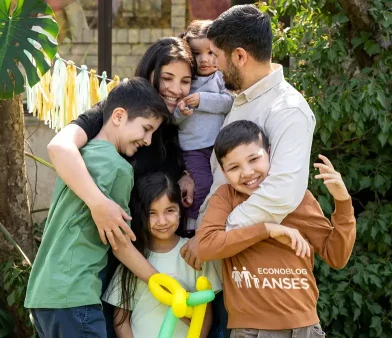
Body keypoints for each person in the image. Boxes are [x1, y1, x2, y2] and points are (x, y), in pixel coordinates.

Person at [46, 37, 200, 336]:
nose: (175, 88)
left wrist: (185, 173)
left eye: (185, 81)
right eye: (167, 77)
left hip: (153, 251)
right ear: (150, 73)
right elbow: (59, 147)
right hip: (108, 256)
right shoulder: (117, 112)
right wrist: (98, 204)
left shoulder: (168, 126)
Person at [180, 9, 317, 335]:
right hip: (229, 276)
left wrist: (213, 237)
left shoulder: (288, 110)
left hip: (267, 288)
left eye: (216, 54)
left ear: (239, 56)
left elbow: (282, 191)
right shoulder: (241, 100)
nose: (210, 62)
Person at [25, 78, 171, 338]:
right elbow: (121, 243)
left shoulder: (81, 156)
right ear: (118, 116)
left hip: (43, 296)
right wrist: (159, 281)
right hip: (75, 294)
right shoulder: (118, 168)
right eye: (146, 128)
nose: (148, 140)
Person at [196, 120, 356, 337]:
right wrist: (267, 230)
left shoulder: (298, 196)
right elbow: (206, 247)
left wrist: (343, 202)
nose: (247, 172)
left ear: (270, 153)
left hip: (305, 327)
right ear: (224, 172)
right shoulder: (225, 197)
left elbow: (336, 256)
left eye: (254, 159)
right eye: (234, 167)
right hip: (252, 329)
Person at [102, 173, 222, 338]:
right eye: (152, 213)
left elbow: (205, 312)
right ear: (141, 215)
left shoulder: (193, 252)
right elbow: (121, 319)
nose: (162, 221)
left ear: (180, 209)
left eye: (169, 210)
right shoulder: (133, 259)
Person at [175, 19, 234, 234]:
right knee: (200, 184)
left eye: (210, 53)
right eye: (197, 53)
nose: (204, 60)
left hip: (218, 147)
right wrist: (181, 112)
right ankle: (192, 227)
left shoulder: (221, 78)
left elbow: (229, 102)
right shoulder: (186, 80)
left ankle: (213, 226)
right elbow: (174, 119)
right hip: (193, 148)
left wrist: (202, 100)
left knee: (221, 186)